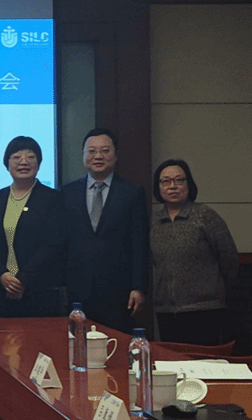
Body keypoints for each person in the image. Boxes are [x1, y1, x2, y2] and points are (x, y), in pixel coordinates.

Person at [62, 128, 148, 333]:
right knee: (77, 345)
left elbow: (140, 242)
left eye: (105, 150)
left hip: (118, 290)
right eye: (91, 151)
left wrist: (138, 287)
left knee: (115, 342)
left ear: (116, 155)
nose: (98, 156)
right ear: (83, 155)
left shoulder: (132, 192)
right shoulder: (67, 192)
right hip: (77, 289)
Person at [151, 159, 239, 345]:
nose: (172, 186)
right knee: (172, 361)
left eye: (179, 180)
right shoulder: (154, 222)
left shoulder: (205, 216)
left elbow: (229, 259)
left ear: (188, 184)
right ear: (158, 188)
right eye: (165, 181)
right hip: (166, 311)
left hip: (205, 310)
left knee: (203, 361)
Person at [0, 136, 66, 317]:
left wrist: (22, 280)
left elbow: (53, 244)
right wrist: (1, 275)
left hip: (40, 290)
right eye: (16, 157)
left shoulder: (53, 199)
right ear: (7, 164)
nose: (24, 162)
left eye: (30, 157)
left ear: (39, 163)